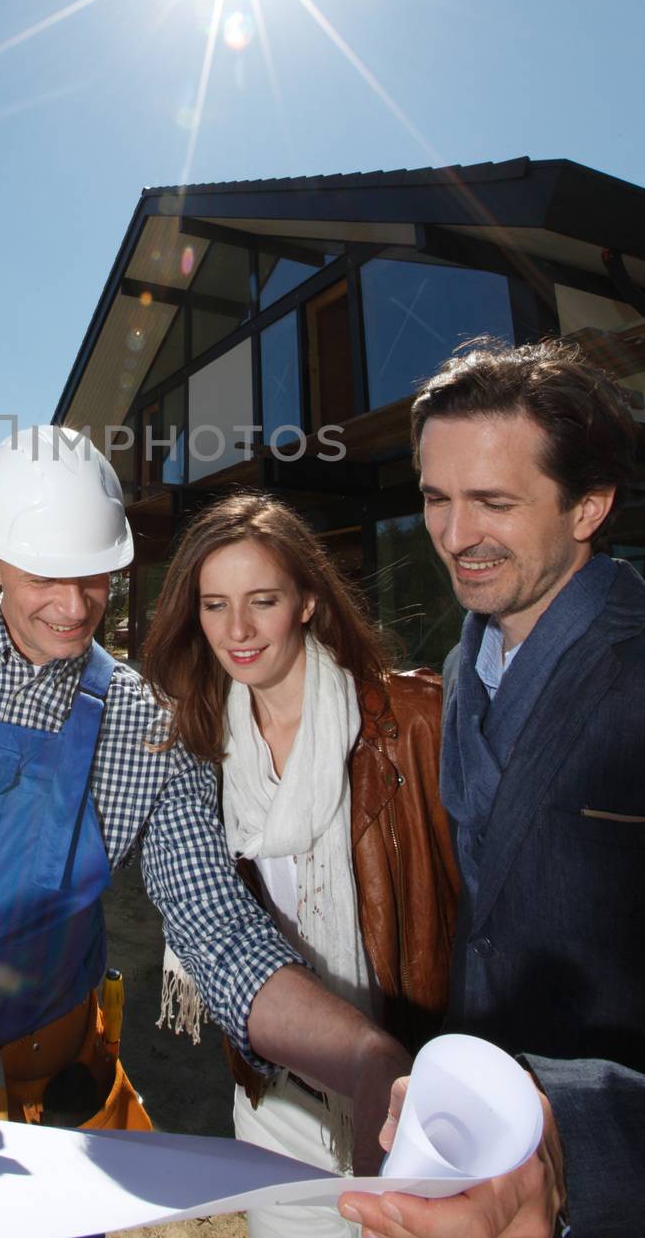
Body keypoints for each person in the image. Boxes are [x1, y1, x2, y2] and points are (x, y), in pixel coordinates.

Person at [0, 429, 410, 1186]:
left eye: (95, 576)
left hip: (47, 1098)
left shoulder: (146, 726)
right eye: (45, 578)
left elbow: (216, 927)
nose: (73, 607)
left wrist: (364, 1060)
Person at [340, 337, 643, 1238]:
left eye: (493, 502)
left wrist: (570, 1138)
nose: (454, 535)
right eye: (436, 499)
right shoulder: (461, 668)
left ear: (588, 506)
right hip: (469, 1149)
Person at [142, 492, 459, 1238]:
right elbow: (209, 921)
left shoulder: (416, 725)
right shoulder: (196, 748)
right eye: (215, 606)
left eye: (262, 600)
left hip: (412, 1098)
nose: (238, 631)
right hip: (274, 1102)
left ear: (309, 600)